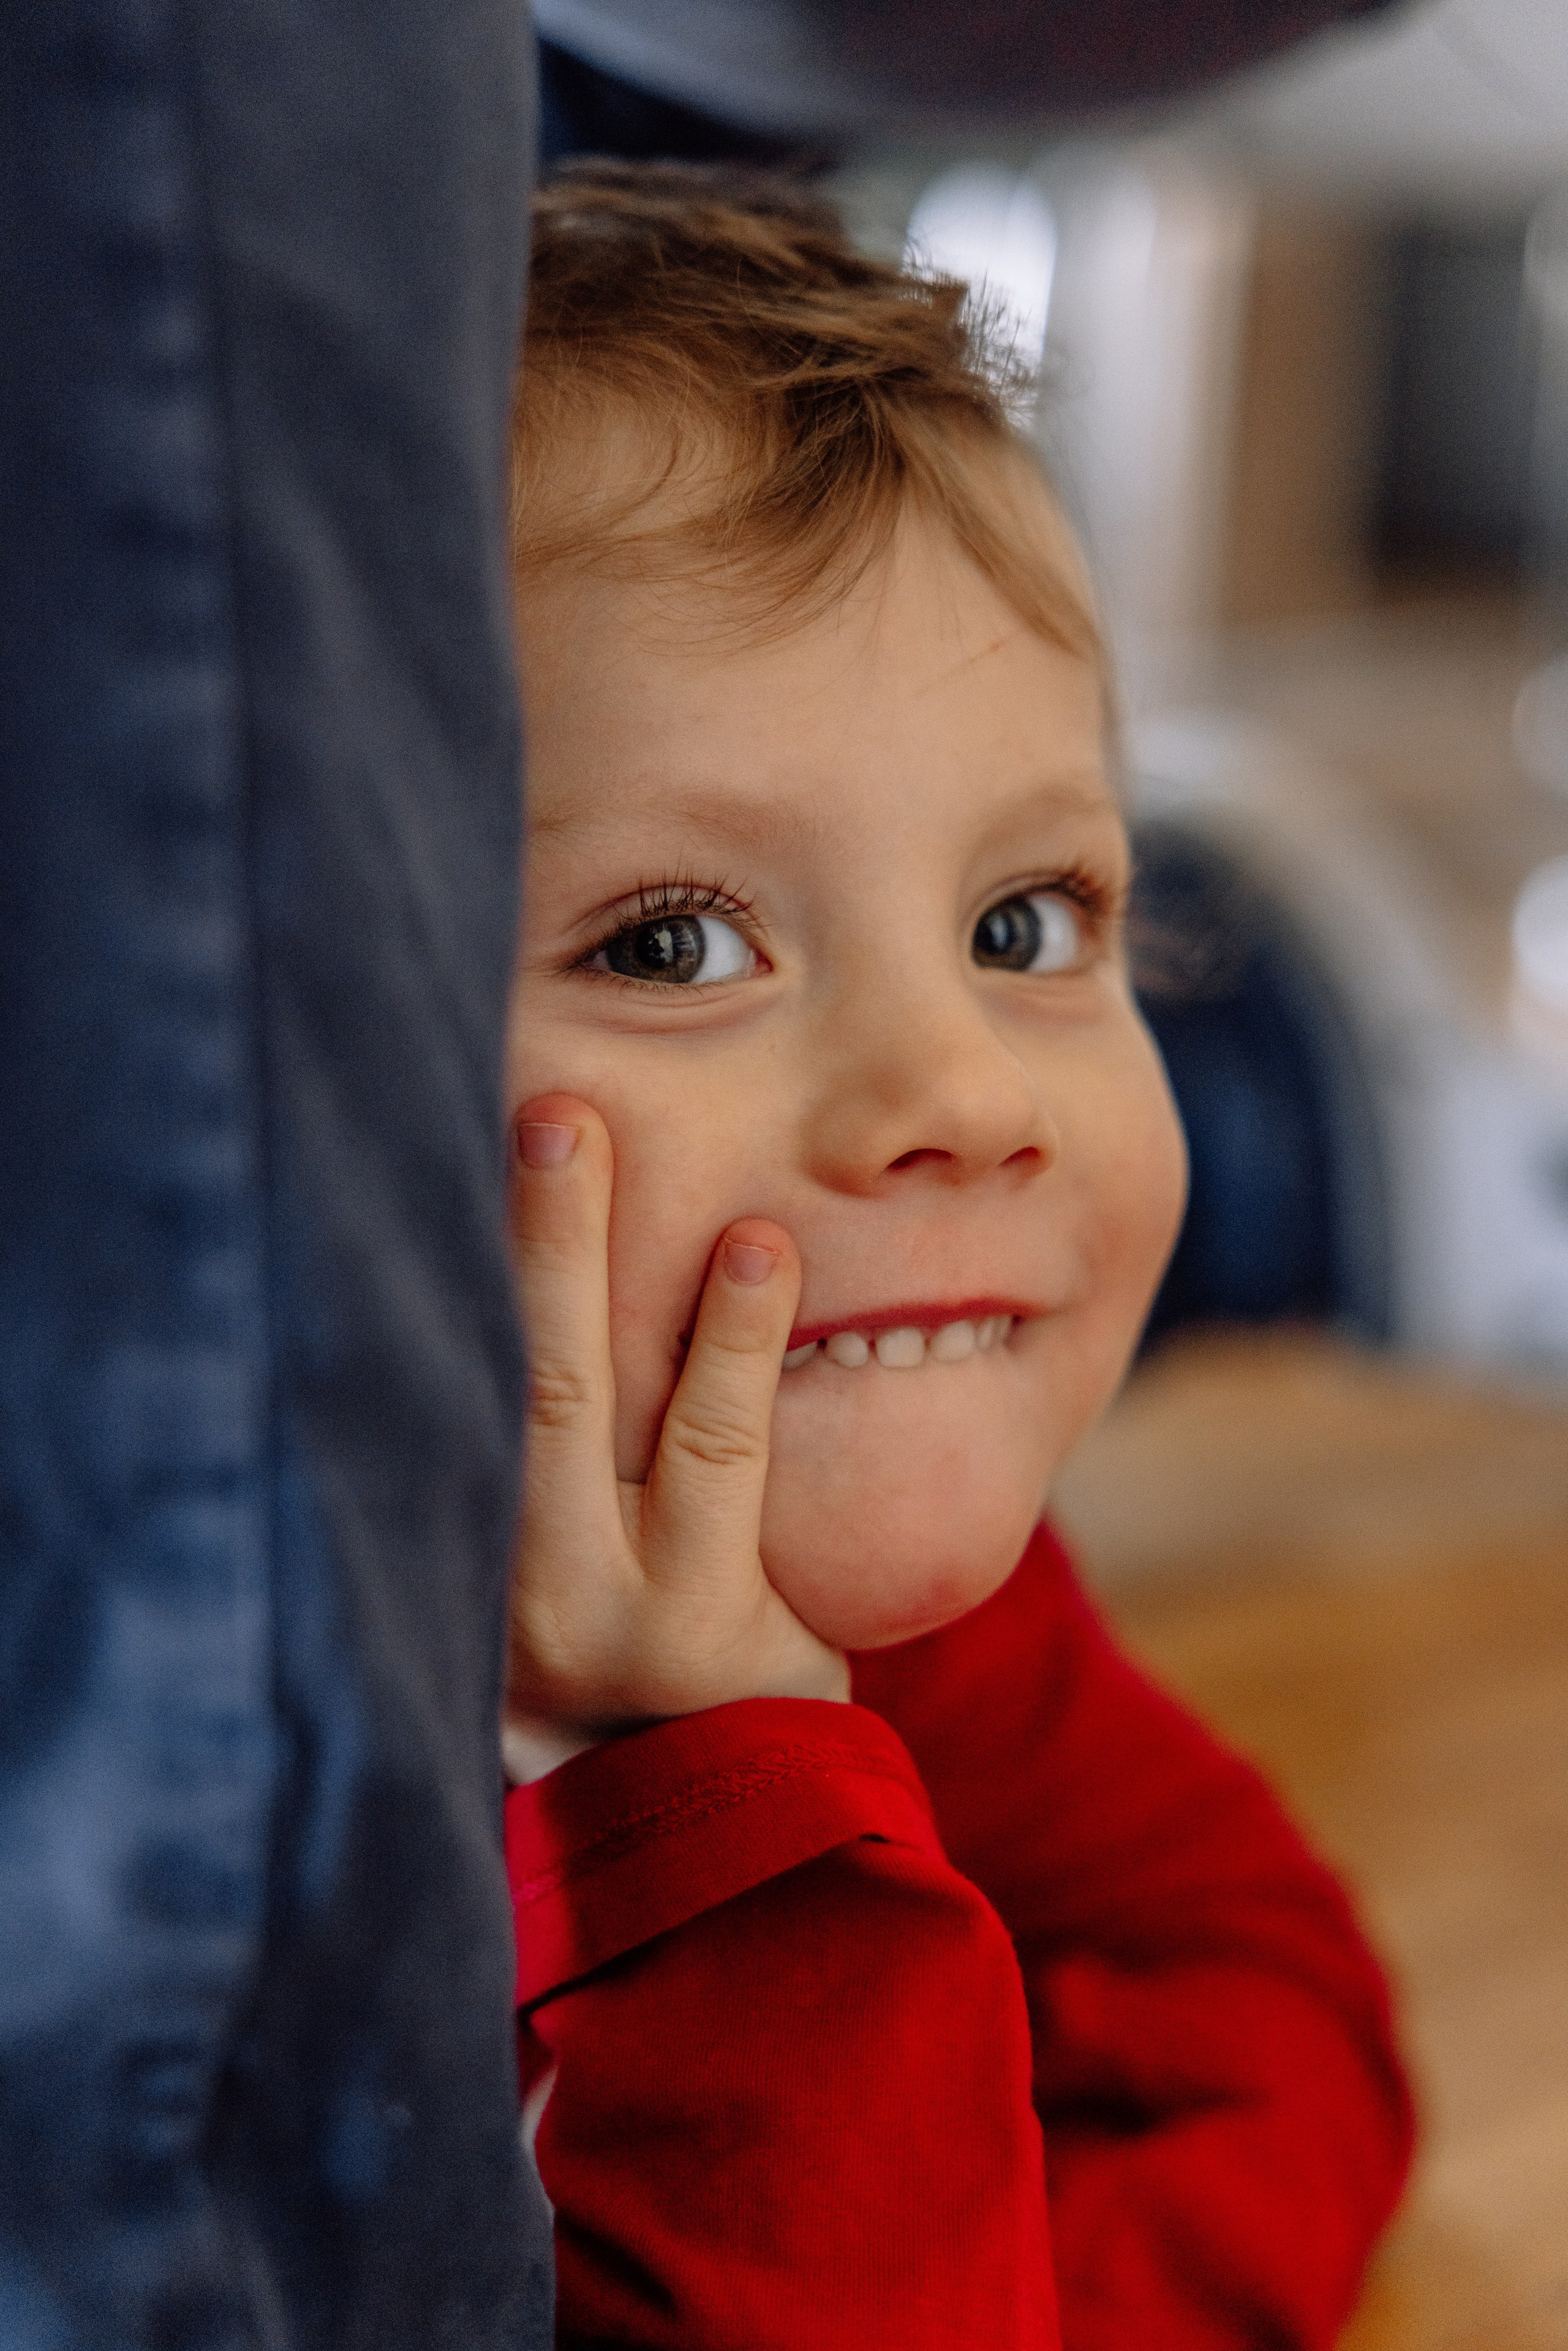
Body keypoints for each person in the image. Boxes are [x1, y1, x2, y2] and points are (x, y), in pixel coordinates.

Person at [500, 162, 1414, 2351]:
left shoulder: (916, 1626)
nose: (965, 1089)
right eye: (676, 944)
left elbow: (1272, 2020)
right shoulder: (176, 1769)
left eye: (1026, 923)